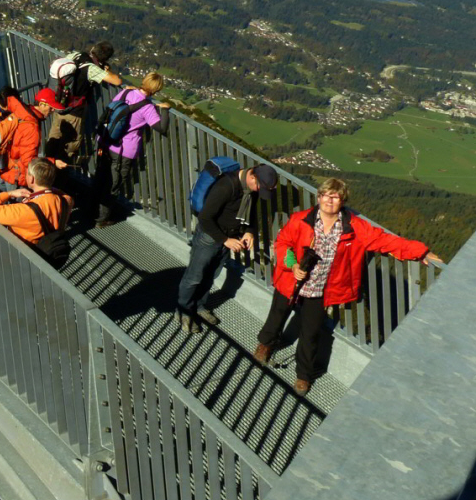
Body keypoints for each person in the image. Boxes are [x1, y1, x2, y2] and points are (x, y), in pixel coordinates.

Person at [253, 178, 442, 396]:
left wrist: (420, 252)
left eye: (335, 196)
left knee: (310, 333)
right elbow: (283, 242)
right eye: (325, 195)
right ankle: (265, 344)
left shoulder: (355, 228)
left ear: (343, 200)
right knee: (277, 315)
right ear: (319, 197)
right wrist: (292, 264)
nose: (329, 200)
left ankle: (303, 375)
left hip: (320, 290)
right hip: (291, 280)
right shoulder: (300, 220)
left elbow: (385, 241)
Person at [176, 164, 278, 333]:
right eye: (259, 187)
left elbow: (251, 214)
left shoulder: (250, 189)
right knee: (194, 276)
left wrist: (249, 232)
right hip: (210, 237)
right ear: (252, 177)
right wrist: (225, 240)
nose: (259, 191)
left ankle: (199, 306)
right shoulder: (225, 187)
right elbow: (205, 218)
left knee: (210, 275)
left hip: (229, 238)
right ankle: (184, 311)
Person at [92, 71, 171, 228]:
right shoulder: (147, 107)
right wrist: (166, 110)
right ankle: (102, 219)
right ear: (156, 90)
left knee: (101, 175)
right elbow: (161, 128)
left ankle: (92, 209)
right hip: (123, 150)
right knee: (113, 184)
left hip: (105, 141)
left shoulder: (126, 91)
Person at [46, 41, 123, 163]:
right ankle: (60, 172)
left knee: (54, 138)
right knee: (70, 144)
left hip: (59, 104)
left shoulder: (75, 55)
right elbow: (117, 81)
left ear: (93, 49)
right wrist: (106, 70)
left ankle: (46, 164)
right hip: (74, 112)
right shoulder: (91, 68)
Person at [0, 157, 73, 245]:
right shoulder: (66, 201)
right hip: (47, 246)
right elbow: (64, 194)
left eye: (27, 173)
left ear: (32, 179)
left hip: (23, 252)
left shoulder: (23, 211)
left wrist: (9, 194)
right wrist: (49, 189)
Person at [0, 88, 68, 192]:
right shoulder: (32, 127)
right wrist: (53, 162)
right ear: (42, 104)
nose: (53, 111)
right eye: (51, 108)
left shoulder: (25, 112)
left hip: (5, 166)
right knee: (17, 207)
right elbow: (29, 161)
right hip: (17, 176)